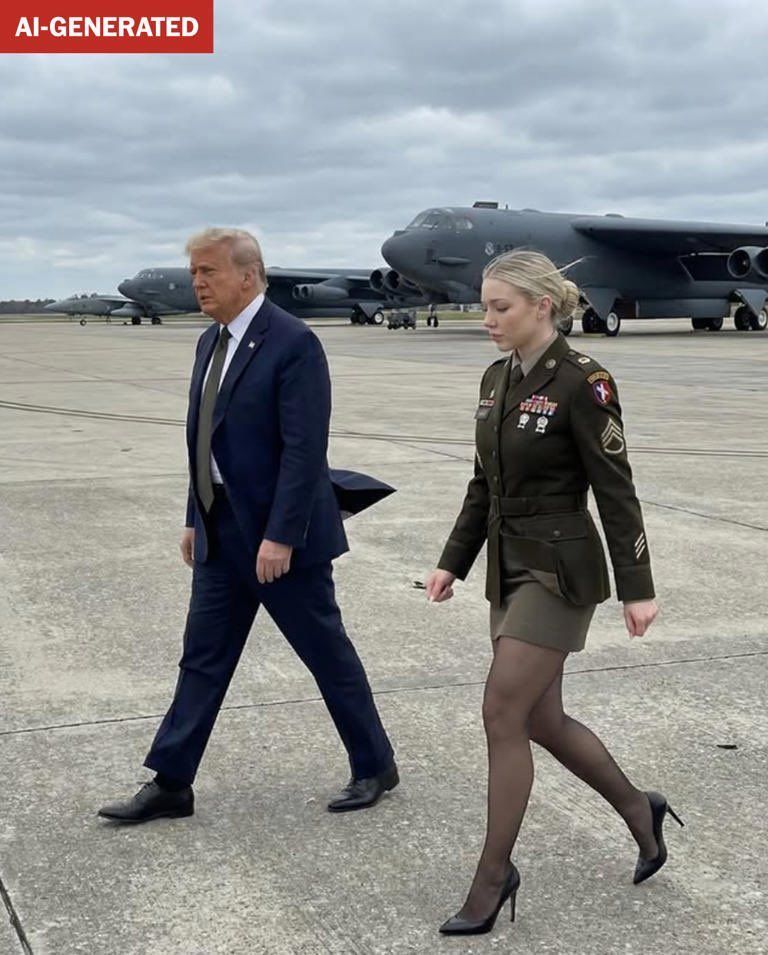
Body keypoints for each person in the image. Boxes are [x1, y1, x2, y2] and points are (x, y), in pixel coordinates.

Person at [99, 228, 397, 824]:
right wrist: (194, 515)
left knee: (325, 653)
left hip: (279, 538)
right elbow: (203, 441)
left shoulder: (293, 342)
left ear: (249, 275)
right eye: (194, 273)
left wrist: (280, 535)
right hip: (220, 529)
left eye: (208, 271)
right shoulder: (210, 341)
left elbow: (304, 450)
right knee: (202, 658)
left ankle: (374, 764)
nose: (198, 283)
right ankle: (172, 782)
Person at [425, 250, 682, 936]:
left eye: (500, 307)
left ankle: (493, 876)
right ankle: (640, 808)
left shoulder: (582, 381)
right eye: (484, 306)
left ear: (542, 306)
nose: (487, 320)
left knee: (501, 712)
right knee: (541, 720)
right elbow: (483, 484)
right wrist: (452, 561)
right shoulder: (496, 377)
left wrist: (637, 587)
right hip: (508, 567)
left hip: (560, 571)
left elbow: (616, 490)